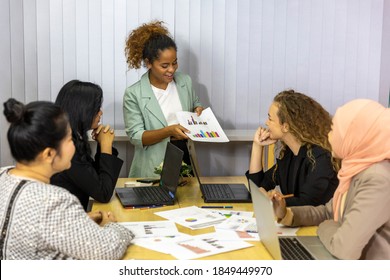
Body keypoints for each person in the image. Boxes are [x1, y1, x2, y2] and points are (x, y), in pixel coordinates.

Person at [1, 98, 134, 259]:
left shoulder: (3, 175)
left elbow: (26, 226)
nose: (75, 146)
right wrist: (113, 226)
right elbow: (107, 251)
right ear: (49, 154)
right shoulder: (53, 201)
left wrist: (79, 220)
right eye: (70, 140)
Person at [267, 99, 390, 259]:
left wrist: (325, 227)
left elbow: (343, 249)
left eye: (334, 130)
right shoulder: (356, 168)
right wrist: (286, 213)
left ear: (355, 136)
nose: (329, 136)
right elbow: (327, 211)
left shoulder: (377, 179)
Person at [123, 20, 204, 178]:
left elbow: (195, 103)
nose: (172, 70)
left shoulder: (184, 81)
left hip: (185, 158)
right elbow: (136, 137)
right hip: (153, 165)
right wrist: (169, 131)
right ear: (148, 63)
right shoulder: (134, 94)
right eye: (165, 65)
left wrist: (198, 109)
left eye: (175, 63)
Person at [246, 90, 339, 206]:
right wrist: (257, 146)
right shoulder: (289, 153)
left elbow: (307, 203)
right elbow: (257, 188)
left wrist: (271, 202)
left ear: (285, 126)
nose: (266, 123)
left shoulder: (321, 157)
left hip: (320, 223)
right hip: (298, 222)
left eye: (270, 119)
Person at [51, 80, 123, 211]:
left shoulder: (70, 138)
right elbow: (103, 193)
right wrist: (106, 146)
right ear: (81, 110)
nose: (100, 112)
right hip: (64, 225)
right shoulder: (68, 150)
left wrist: (103, 145)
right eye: (96, 108)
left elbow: (94, 178)